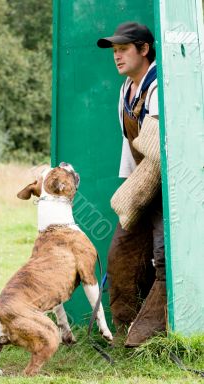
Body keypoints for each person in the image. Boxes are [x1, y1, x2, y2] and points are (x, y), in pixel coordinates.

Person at [97, 22, 166, 347]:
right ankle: (124, 332)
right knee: (120, 256)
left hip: (170, 188)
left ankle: (149, 339)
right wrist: (129, 194)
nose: (117, 56)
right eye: (114, 51)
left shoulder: (160, 86)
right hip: (141, 186)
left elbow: (156, 148)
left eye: (123, 49)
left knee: (164, 259)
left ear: (144, 49)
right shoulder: (126, 90)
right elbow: (131, 148)